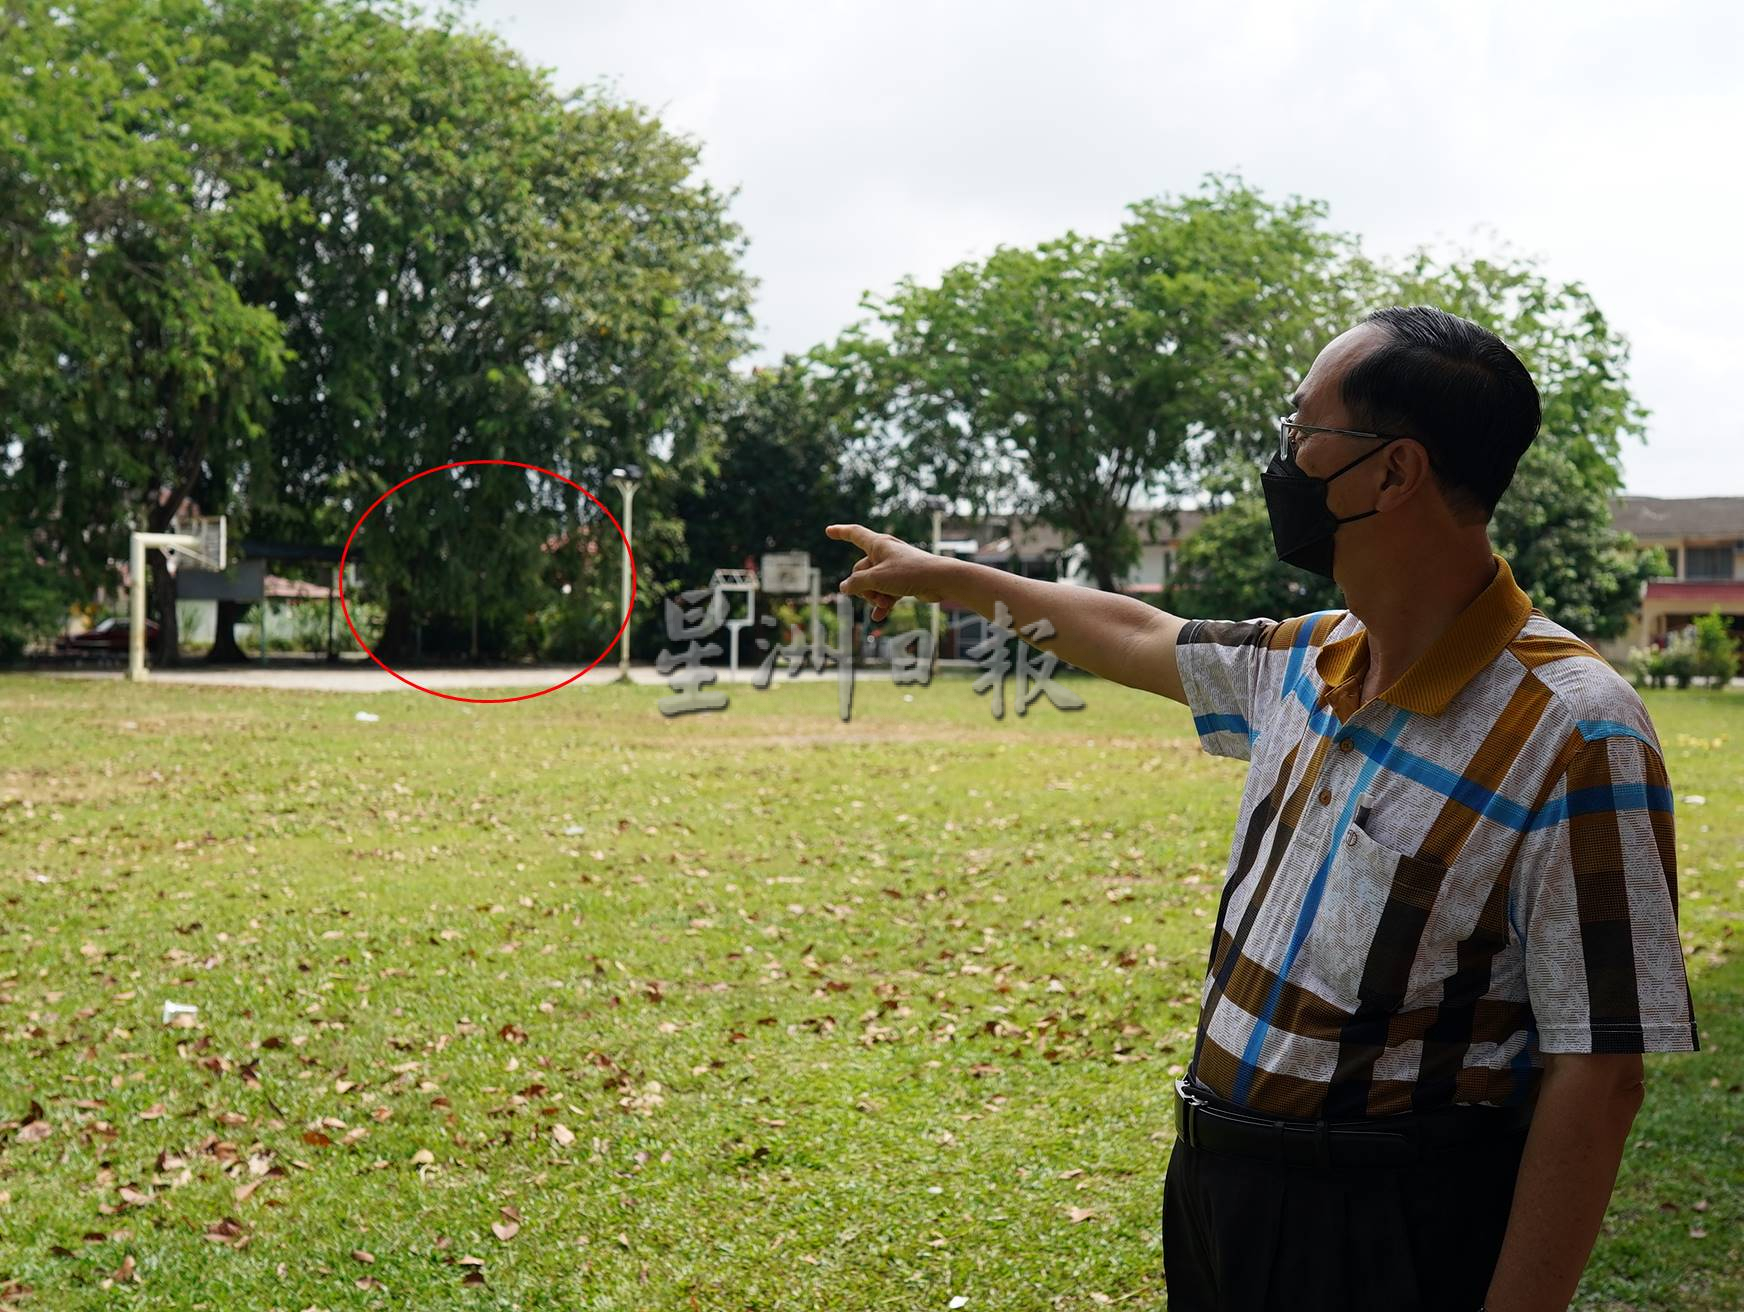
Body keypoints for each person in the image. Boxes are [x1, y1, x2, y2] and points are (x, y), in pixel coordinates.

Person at [825, 305, 1698, 1312]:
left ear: (1392, 471)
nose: (1281, 458)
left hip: (1387, 1225)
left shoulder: (1573, 731)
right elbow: (1131, 632)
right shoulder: (1311, 655)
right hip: (1218, 1188)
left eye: (1301, 428)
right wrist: (937, 575)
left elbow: (1598, 1076)